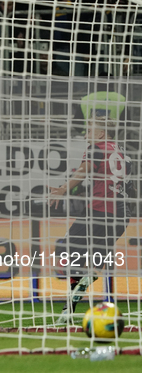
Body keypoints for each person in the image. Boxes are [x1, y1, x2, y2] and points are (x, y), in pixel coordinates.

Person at [49, 116, 132, 324]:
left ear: (101, 133)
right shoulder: (122, 151)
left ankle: (76, 293)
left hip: (99, 211)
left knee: (65, 251)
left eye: (89, 129)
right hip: (121, 215)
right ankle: (70, 307)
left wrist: (62, 189)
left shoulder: (96, 149)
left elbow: (83, 171)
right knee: (89, 262)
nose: (86, 133)